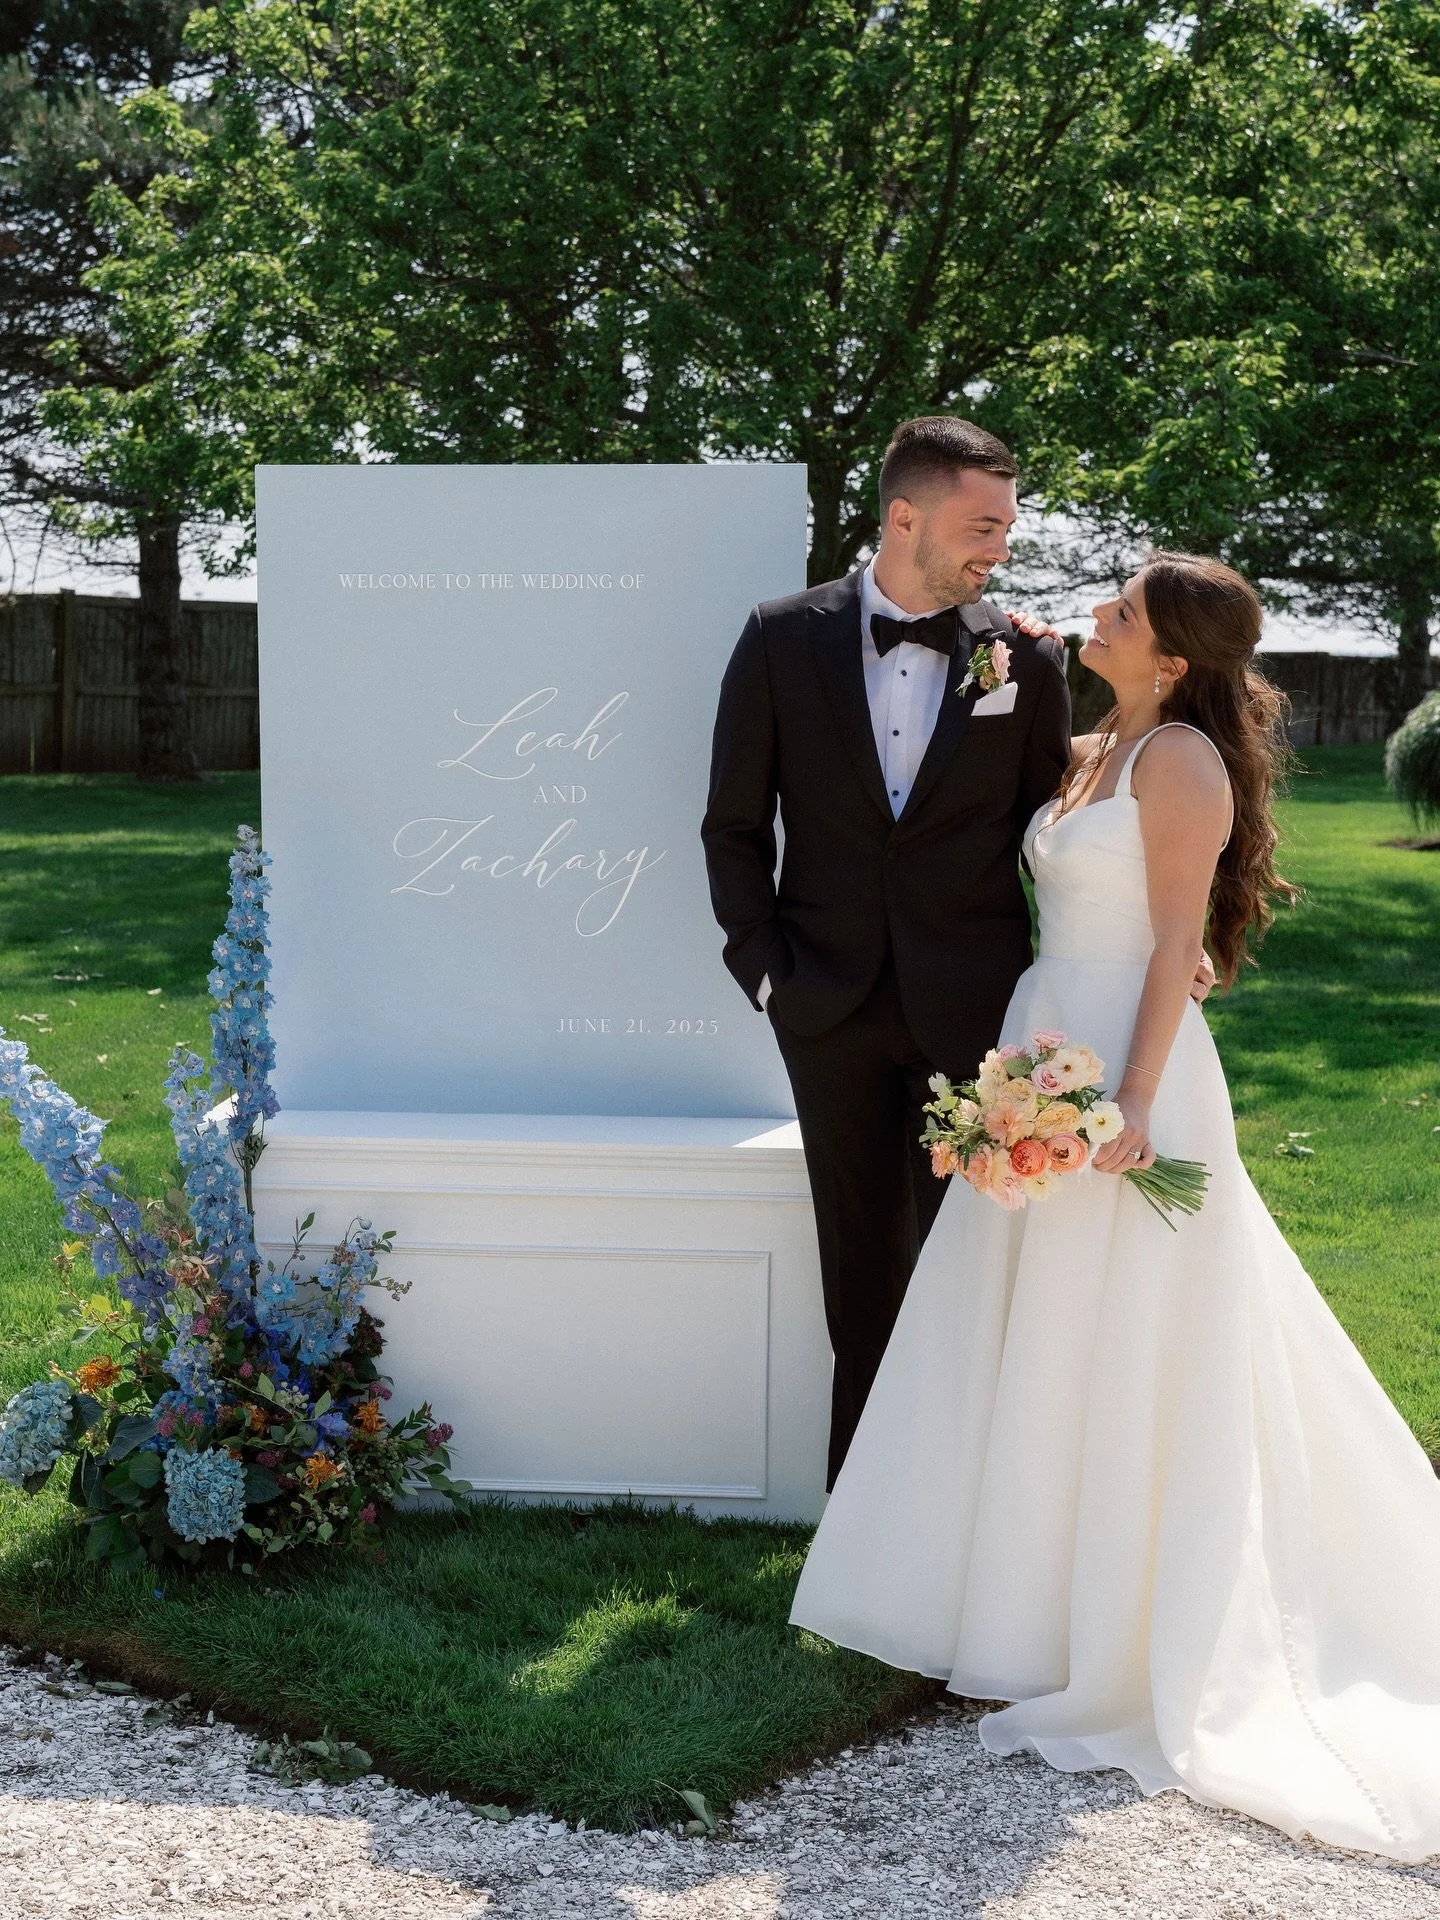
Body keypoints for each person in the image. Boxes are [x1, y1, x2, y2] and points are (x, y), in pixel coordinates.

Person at [789, 551, 1440, 1862]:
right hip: (1040, 1038)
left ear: (1174, 656)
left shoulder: (1181, 765)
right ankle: (1012, 1613)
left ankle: (1116, 1622)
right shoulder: (1095, 744)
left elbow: (1168, 949)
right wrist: (997, 634)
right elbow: (1013, 728)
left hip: (1123, 1068)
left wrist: (1133, 1101)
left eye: (1122, 610)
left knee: (1127, 1337)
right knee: (1031, 1329)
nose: (1099, 615)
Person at [702, 415, 1210, 1487]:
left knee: (968, 1272)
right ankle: (861, 1520)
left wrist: (1172, 929)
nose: (1002, 547)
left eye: (1008, 526)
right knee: (861, 1266)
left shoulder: (1022, 655)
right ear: (904, 515)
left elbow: (1060, 815)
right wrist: (765, 972)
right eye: (984, 525)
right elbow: (735, 827)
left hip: (980, 1016)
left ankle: (962, 1527)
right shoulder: (779, 637)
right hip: (823, 1004)